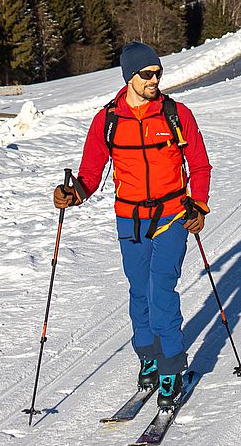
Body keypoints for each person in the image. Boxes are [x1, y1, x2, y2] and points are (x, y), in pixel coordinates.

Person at [53, 41, 212, 408]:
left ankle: (172, 366)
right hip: (129, 217)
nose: (154, 79)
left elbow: (199, 165)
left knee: (161, 290)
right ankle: (149, 356)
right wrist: (71, 193)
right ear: (129, 77)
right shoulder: (107, 120)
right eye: (147, 74)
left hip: (172, 214)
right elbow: (90, 174)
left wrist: (198, 205)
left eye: (158, 73)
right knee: (138, 292)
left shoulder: (176, 114)